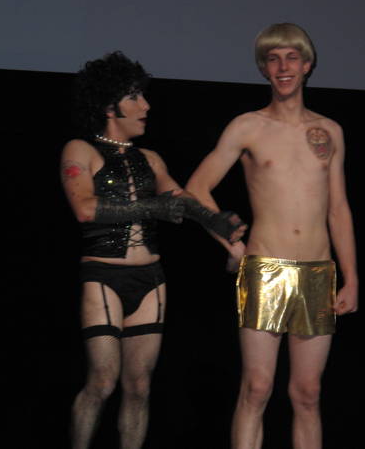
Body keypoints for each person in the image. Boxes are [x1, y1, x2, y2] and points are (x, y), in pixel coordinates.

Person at [61, 51, 245, 449]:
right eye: (135, 97)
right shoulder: (80, 150)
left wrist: (224, 231)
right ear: (110, 105)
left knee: (140, 386)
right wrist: (153, 208)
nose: (146, 106)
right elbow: (85, 208)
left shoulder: (151, 158)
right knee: (102, 381)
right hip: (103, 276)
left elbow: (184, 201)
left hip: (150, 279)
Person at [186, 23, 358, 449]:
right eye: (274, 59)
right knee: (257, 387)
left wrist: (352, 277)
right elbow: (196, 188)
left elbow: (338, 208)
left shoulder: (330, 131)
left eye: (291, 58)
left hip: (317, 271)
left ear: (307, 65)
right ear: (264, 68)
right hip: (265, 269)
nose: (283, 67)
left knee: (308, 394)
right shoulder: (248, 126)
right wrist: (231, 242)